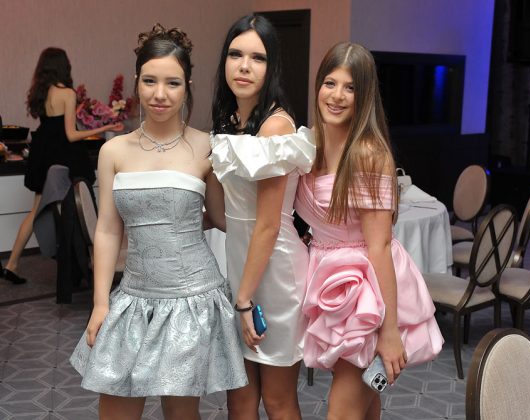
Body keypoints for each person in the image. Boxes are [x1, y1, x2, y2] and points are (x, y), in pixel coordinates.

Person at [69, 24, 247, 420]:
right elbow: (108, 229)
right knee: (113, 410)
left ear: (187, 87)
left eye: (172, 83)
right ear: (137, 82)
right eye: (150, 81)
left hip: (191, 299)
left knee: (181, 414)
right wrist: (100, 302)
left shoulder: (208, 146)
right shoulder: (114, 150)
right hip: (133, 297)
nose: (160, 94)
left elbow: (221, 218)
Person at [294, 42, 444, 420]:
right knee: (365, 403)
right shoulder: (310, 144)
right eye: (330, 83)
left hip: (366, 291)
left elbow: (380, 245)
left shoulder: (368, 154)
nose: (337, 96)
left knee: (342, 410)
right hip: (330, 281)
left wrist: (388, 331)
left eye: (350, 88)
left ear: (364, 96)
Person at [209, 14, 315, 420]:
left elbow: (268, 224)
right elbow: (227, 214)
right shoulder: (230, 121)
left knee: (277, 400)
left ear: (272, 67)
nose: (244, 66)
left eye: (257, 57)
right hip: (242, 265)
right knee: (238, 400)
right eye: (235, 55)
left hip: (274, 273)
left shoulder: (275, 127)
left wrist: (243, 300)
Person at [1, 47, 124, 285]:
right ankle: (87, 264)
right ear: (63, 66)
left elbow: (53, 124)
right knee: (78, 208)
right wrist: (106, 128)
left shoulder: (42, 92)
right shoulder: (67, 93)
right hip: (63, 157)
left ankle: (12, 263)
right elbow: (70, 134)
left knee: (36, 211)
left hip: (42, 152)